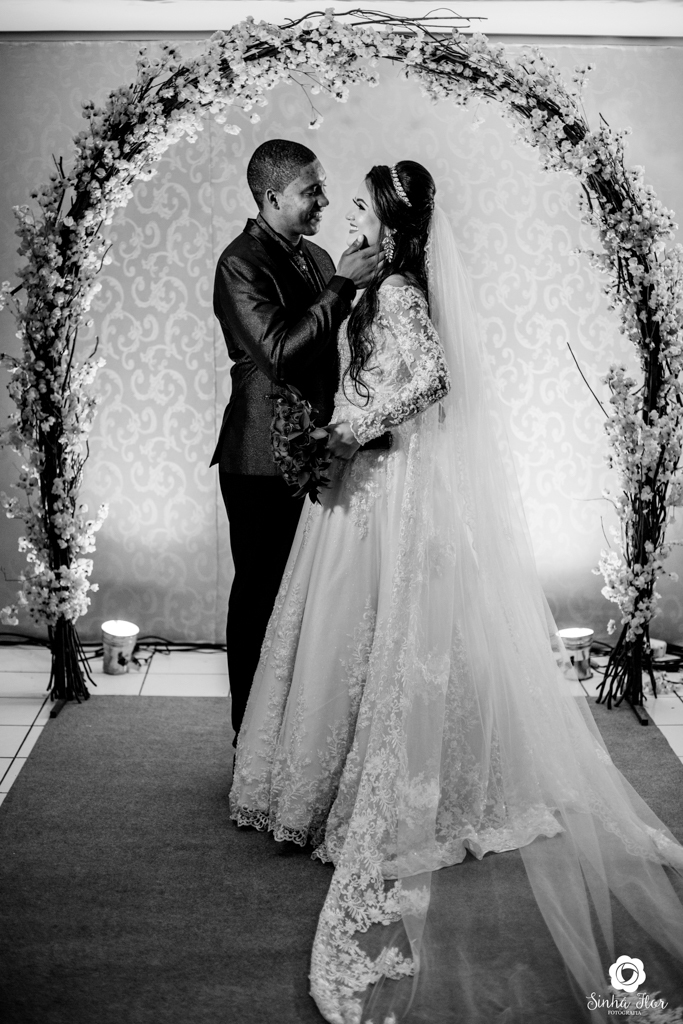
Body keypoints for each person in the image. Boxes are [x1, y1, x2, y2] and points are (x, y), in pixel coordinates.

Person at [229, 161, 683, 1022]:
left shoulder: (399, 290)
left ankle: (406, 783)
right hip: (359, 477)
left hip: (388, 479)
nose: (346, 214)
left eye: (360, 205)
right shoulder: (368, 280)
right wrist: (337, 427)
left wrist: (353, 428)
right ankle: (316, 776)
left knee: (389, 627)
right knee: (343, 629)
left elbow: (433, 379)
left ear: (391, 221)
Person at [211, 139, 381, 746]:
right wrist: (341, 287)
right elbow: (280, 354)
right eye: (312, 191)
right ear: (272, 197)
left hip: (312, 453)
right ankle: (248, 740)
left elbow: (330, 351)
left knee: (305, 602)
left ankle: (289, 742)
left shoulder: (314, 255)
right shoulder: (239, 263)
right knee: (261, 599)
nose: (325, 200)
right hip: (259, 460)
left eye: (323, 187)